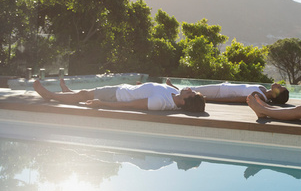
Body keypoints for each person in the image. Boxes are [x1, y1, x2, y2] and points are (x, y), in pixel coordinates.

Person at [33, 79, 206, 112]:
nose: (189, 89)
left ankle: (50, 96)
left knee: (83, 94)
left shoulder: (160, 102)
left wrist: (101, 104)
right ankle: (67, 93)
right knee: (81, 94)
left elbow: (130, 105)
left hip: (116, 96)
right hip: (123, 89)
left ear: (185, 101)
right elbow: (163, 89)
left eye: (191, 93)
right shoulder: (174, 94)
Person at [165, 78, 289, 105]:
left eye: (280, 88)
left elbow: (235, 99)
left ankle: (170, 89)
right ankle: (172, 89)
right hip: (223, 86)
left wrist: (209, 99)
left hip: (220, 92)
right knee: (192, 90)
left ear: (276, 94)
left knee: (192, 91)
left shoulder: (259, 96)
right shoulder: (262, 88)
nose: (278, 85)